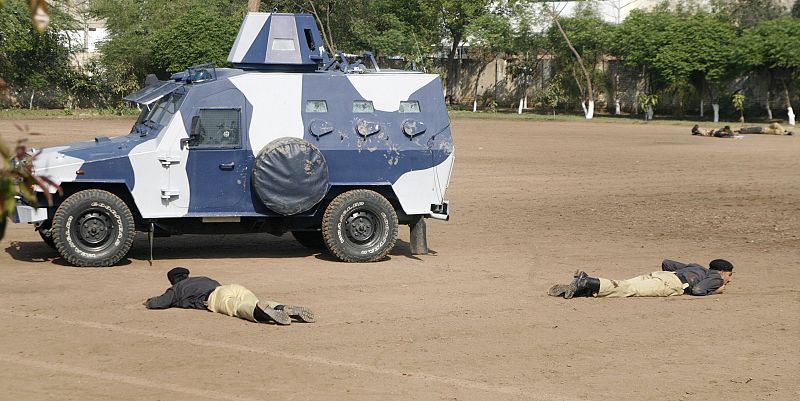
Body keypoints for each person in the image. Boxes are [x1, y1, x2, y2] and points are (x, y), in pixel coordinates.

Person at [144, 267, 315, 325]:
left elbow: (159, 303)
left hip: (213, 298)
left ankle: (261, 313)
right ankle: (282, 307)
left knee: (238, 308)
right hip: (231, 287)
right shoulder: (202, 278)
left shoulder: (177, 289)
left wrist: (148, 301)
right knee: (255, 300)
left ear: (173, 281)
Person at [548, 259, 734, 299]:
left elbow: (667, 263)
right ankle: (586, 281)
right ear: (722, 271)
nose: (729, 280)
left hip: (663, 276)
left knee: (624, 285)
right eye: (730, 276)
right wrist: (716, 290)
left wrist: (689, 272)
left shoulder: (697, 267)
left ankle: (585, 286)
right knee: (627, 290)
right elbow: (698, 290)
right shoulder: (715, 277)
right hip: (673, 283)